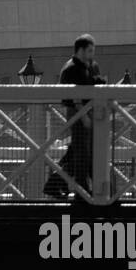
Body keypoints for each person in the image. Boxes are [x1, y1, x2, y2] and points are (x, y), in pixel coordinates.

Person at [44, 35, 106, 199]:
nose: (93, 54)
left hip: (88, 112)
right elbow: (75, 96)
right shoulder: (72, 69)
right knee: (82, 153)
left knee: (78, 152)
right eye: (90, 51)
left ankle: (56, 184)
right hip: (79, 113)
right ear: (81, 50)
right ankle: (82, 191)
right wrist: (84, 116)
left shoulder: (89, 66)